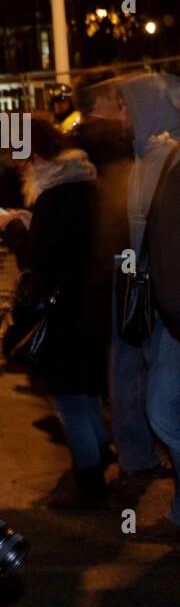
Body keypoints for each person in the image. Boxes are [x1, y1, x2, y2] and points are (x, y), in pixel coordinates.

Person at [0, 115, 112, 509]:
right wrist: (32, 221)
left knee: (67, 399)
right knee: (86, 389)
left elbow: (40, 260)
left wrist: (13, 228)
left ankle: (90, 482)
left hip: (64, 313)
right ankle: (101, 453)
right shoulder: (87, 185)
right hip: (94, 303)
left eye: (22, 158)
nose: (19, 166)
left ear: (38, 156)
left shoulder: (53, 196)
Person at [72, 74, 167, 489]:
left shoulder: (75, 143)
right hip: (127, 267)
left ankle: (129, 452)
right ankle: (136, 454)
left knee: (124, 363)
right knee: (133, 364)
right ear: (106, 103)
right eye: (120, 103)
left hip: (105, 268)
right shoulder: (115, 143)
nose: (125, 115)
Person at [116, 74, 180, 543]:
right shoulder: (161, 158)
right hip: (164, 308)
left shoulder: (166, 158)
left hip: (171, 311)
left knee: (162, 410)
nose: (123, 117)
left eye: (128, 108)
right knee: (164, 408)